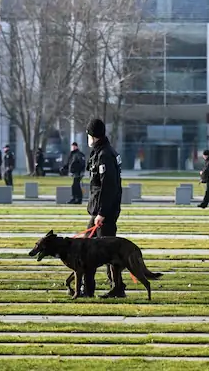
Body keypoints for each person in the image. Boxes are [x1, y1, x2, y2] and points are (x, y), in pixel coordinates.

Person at [81, 118, 123, 298]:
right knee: (87, 249)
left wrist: (102, 213)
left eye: (88, 135)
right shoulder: (100, 152)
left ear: (93, 135)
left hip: (104, 213)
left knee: (108, 252)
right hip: (99, 210)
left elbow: (109, 187)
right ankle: (88, 289)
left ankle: (117, 288)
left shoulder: (105, 154)